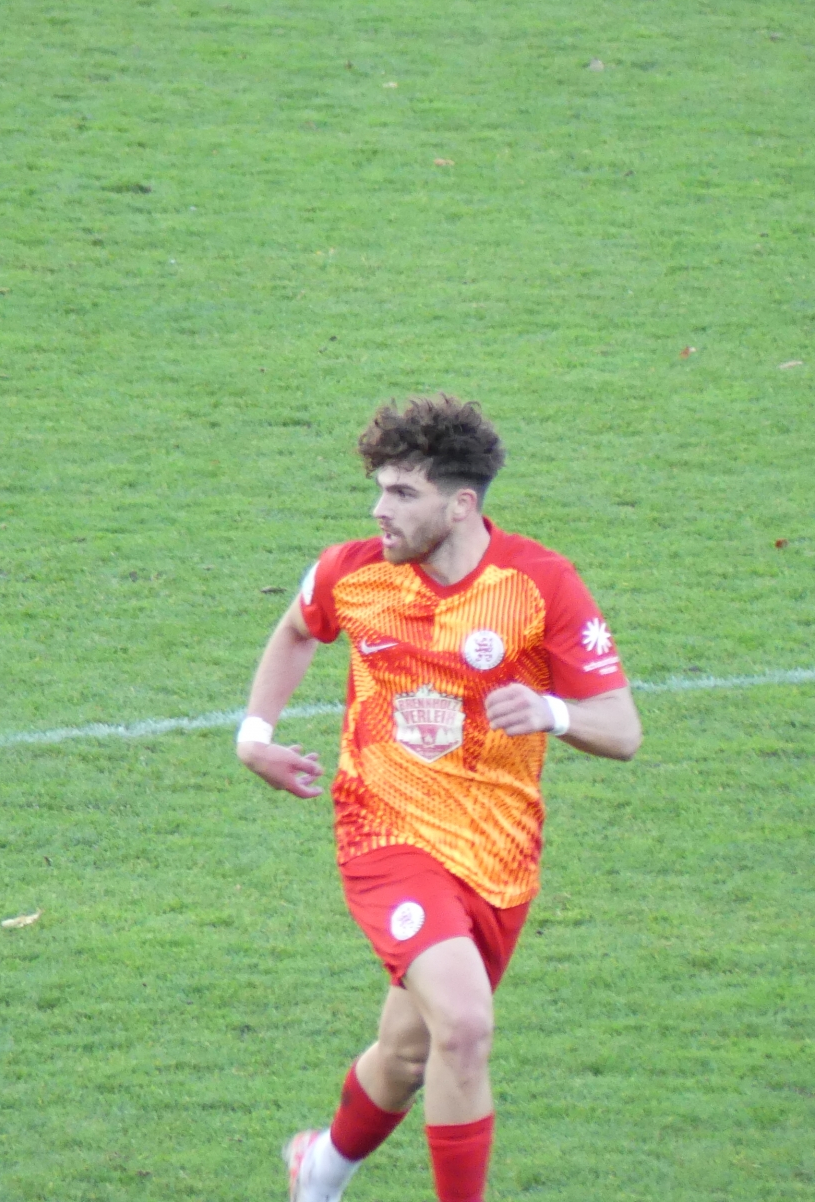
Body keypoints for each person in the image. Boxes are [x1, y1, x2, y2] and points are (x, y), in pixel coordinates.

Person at [237, 395, 640, 1202]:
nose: (378, 510)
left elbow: (623, 729)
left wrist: (553, 713)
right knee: (464, 1027)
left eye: (402, 493)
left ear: (460, 506)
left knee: (408, 1054)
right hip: (384, 833)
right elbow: (295, 630)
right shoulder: (353, 572)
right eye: (380, 489)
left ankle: (319, 1169)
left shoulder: (539, 584)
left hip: (496, 852)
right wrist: (255, 735)